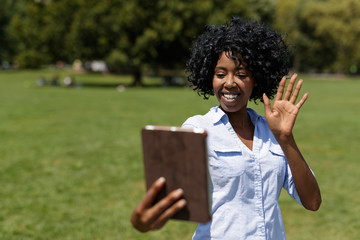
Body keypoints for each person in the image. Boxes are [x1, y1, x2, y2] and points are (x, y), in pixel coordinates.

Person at [131, 16, 321, 239]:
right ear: (210, 78)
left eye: (241, 75)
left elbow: (313, 202)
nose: (229, 82)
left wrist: (285, 138)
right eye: (220, 74)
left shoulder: (273, 132)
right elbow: (165, 203)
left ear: (256, 79)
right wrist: (141, 221)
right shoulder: (198, 129)